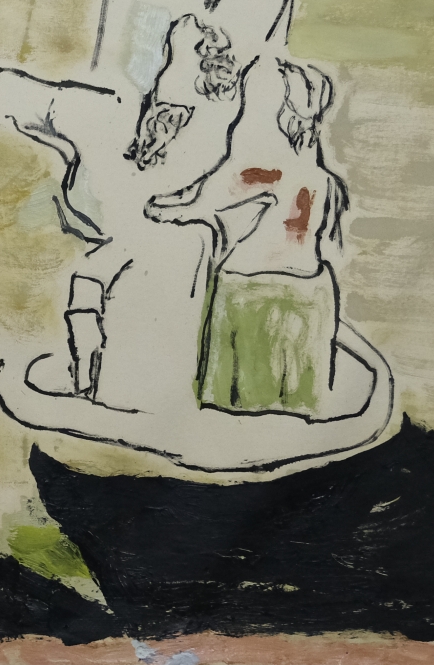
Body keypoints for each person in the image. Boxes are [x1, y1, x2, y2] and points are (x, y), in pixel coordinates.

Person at [148, 58, 348, 415]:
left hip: (251, 293)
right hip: (311, 295)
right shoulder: (322, 178)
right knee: (297, 405)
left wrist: (158, 208)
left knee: (233, 406)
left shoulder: (260, 170)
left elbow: (197, 204)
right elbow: (204, 191)